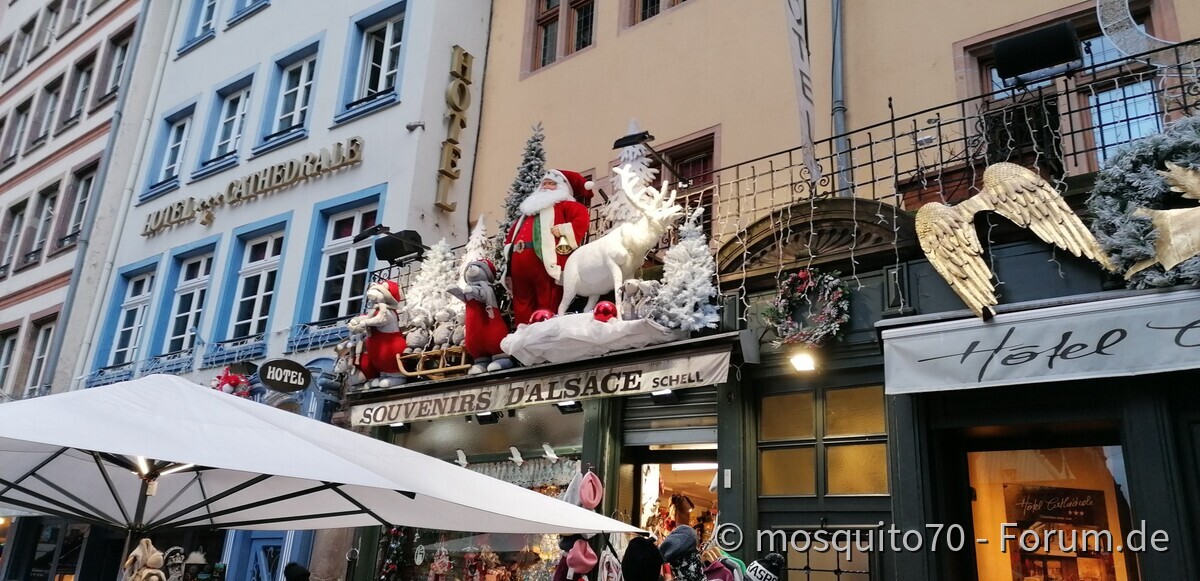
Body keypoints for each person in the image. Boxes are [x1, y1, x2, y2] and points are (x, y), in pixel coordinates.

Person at [502, 169, 594, 325]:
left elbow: (581, 220)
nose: (546, 187)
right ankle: (523, 332)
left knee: (547, 296)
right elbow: (511, 236)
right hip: (519, 266)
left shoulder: (565, 206)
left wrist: (563, 230)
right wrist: (509, 250)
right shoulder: (528, 213)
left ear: (562, 188)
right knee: (522, 300)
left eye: (551, 184)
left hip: (545, 262)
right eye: (544, 183)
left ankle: (546, 327)